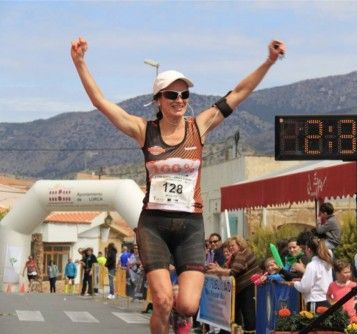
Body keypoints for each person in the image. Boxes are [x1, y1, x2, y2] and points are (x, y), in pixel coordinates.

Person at [71, 36, 286, 334]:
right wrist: (80, 63)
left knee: (186, 305)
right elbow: (101, 103)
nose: (180, 101)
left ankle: (179, 320)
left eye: (184, 94)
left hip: (190, 226)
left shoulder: (200, 126)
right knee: (161, 300)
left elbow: (239, 92)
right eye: (172, 95)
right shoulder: (143, 130)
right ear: (158, 99)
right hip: (154, 225)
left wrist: (269, 61)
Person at [206, 236, 261, 333]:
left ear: (239, 245)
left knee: (248, 314)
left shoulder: (242, 254)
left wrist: (218, 270)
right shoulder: (236, 256)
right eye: (229, 246)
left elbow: (233, 272)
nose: (231, 248)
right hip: (241, 289)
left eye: (233, 245)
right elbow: (227, 269)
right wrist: (219, 269)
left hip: (247, 287)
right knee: (235, 314)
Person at [291, 237, 333, 312]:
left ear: (308, 249)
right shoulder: (327, 262)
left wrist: (295, 283)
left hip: (316, 302)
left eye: (305, 249)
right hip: (327, 300)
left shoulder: (312, 265)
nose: (304, 252)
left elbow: (304, 287)